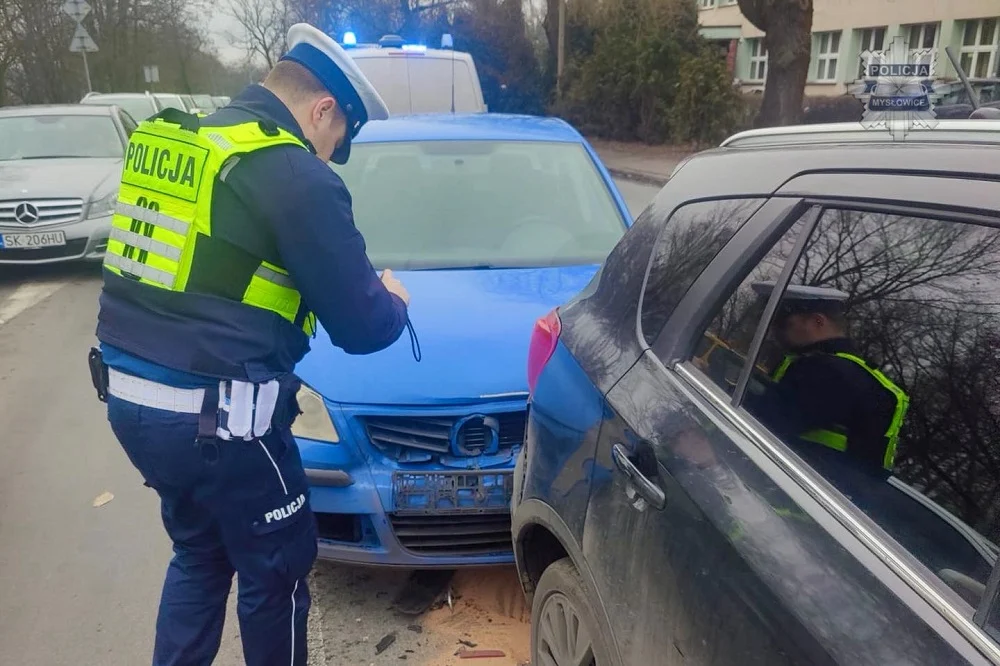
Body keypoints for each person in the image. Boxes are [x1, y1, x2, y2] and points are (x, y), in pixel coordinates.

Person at [87, 23, 412, 666]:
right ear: (323, 110)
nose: (327, 155)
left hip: (130, 402)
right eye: (334, 139)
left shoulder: (188, 143)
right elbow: (362, 327)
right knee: (278, 573)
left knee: (201, 555)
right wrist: (393, 300)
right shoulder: (290, 171)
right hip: (225, 424)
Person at [743, 282, 909, 481]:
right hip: (812, 499)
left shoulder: (825, 371)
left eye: (783, 323)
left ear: (818, 321)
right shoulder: (858, 375)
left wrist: (718, 381)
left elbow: (760, 421)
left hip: (782, 497)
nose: (775, 332)